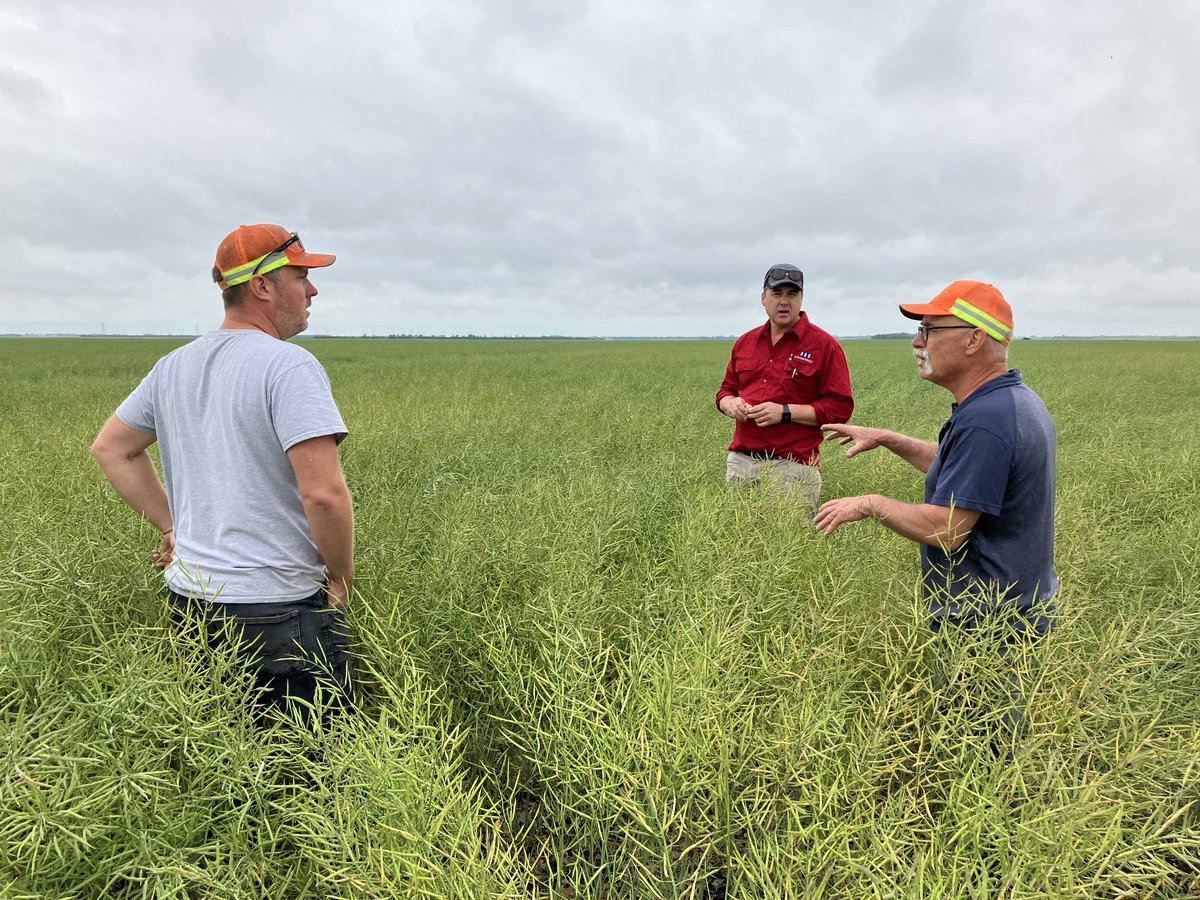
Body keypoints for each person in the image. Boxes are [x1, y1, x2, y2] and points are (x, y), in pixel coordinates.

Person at [91, 223, 355, 721]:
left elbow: (112, 449)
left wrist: (173, 529)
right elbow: (323, 494)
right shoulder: (288, 366)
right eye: (301, 276)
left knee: (227, 762)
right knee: (311, 769)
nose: (313, 289)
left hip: (192, 603)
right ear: (262, 285)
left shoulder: (172, 366)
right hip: (279, 609)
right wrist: (340, 578)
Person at [814, 279, 1057, 757]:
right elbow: (966, 475)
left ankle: (988, 827)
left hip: (988, 620)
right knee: (986, 737)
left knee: (980, 752)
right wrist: (889, 438)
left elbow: (947, 529)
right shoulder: (1008, 402)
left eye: (929, 329)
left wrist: (870, 504)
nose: (917, 342)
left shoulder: (987, 419)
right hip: (1009, 607)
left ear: (972, 339)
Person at [715, 263, 854, 511]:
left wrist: (785, 412)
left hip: (792, 468)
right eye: (777, 293)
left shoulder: (824, 345)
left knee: (787, 544)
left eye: (792, 294)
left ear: (801, 298)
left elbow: (839, 408)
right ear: (763, 297)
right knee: (735, 542)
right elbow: (725, 392)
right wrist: (731, 405)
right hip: (741, 463)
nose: (784, 301)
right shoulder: (745, 342)